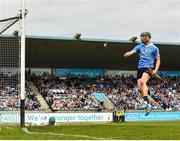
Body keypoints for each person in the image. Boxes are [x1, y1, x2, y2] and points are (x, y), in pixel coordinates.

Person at [124, 32, 160, 116]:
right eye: (141, 37)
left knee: (144, 82)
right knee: (140, 89)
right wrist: (128, 54)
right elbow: (131, 52)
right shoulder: (139, 46)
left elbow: (158, 60)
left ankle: (145, 102)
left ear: (149, 38)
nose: (142, 38)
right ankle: (148, 105)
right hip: (140, 68)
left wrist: (156, 70)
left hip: (148, 68)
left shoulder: (155, 48)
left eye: (144, 37)